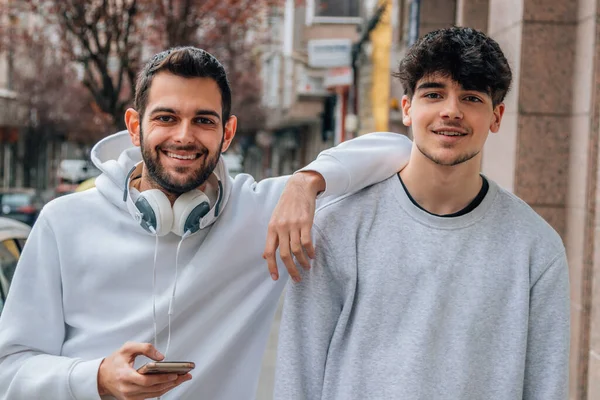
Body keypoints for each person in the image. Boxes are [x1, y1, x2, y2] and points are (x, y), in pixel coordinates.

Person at [0, 47, 412, 400]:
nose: (184, 136)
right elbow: (10, 370)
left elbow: (396, 147)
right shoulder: (63, 221)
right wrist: (96, 378)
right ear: (133, 126)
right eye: (165, 118)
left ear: (227, 133)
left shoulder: (260, 211)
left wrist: (309, 181)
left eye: (203, 120)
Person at [274, 27, 569, 400]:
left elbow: (547, 387)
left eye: (471, 98)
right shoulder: (337, 227)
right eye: (434, 94)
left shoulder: (536, 248)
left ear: (496, 116)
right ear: (407, 108)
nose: (451, 111)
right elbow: (298, 375)